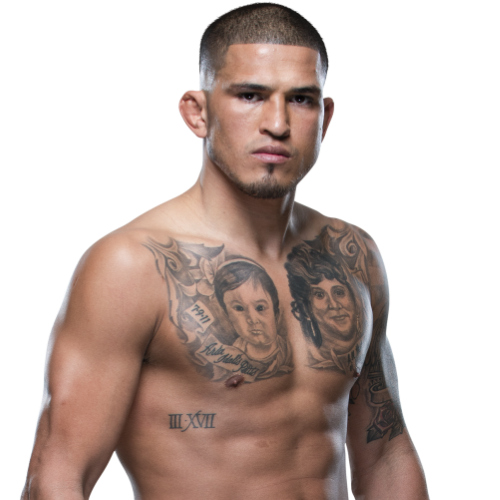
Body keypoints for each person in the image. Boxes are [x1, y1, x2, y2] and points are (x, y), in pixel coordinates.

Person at [21, 3, 430, 499]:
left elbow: (384, 451)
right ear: (198, 112)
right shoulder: (132, 265)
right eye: (250, 95)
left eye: (301, 99)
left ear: (325, 119)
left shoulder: (352, 254)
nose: (277, 123)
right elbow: (58, 473)